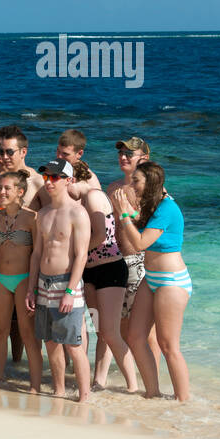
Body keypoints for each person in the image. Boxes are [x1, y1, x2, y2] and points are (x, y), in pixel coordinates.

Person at [112, 161, 192, 402]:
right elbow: (139, 223)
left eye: (137, 180)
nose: (132, 184)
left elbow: (139, 243)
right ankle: (153, 394)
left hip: (171, 281)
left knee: (168, 345)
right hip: (152, 277)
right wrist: (126, 211)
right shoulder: (154, 206)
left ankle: (183, 402)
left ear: (151, 183)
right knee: (136, 337)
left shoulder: (167, 208)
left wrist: (123, 211)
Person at [25, 159, 92, 402]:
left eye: (55, 177)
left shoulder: (78, 212)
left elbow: (81, 255)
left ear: (68, 180)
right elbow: (36, 254)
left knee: (73, 345)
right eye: (46, 177)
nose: (49, 182)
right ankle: (59, 390)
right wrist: (31, 289)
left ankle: (84, 396)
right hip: (44, 284)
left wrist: (71, 291)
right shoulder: (42, 214)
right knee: (51, 342)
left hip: (67, 284)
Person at [74, 161, 138, 391]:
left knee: (111, 332)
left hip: (110, 270)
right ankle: (98, 381)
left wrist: (76, 254)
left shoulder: (92, 196)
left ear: (72, 180)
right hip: (90, 272)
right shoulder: (78, 200)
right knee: (100, 330)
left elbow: (100, 235)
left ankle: (132, 386)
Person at [0, 171, 42, 392]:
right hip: (0, 279)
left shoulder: (33, 218)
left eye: (7, 188)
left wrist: (34, 288)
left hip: (24, 279)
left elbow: (37, 254)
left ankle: (35, 386)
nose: (2, 192)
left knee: (28, 333)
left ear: (20, 191)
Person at [107, 136, 160, 371]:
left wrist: (128, 212)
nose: (123, 157)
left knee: (147, 330)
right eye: (121, 153)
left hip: (141, 261)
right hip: (117, 262)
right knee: (121, 327)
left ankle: (153, 377)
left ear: (144, 159)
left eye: (129, 154)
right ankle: (129, 378)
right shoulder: (113, 187)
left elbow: (156, 229)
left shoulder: (151, 192)